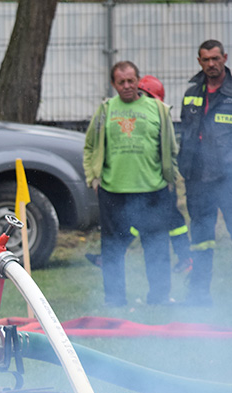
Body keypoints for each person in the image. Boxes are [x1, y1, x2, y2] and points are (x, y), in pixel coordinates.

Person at [83, 61, 179, 307]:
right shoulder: (105, 110)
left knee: (157, 247)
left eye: (131, 81)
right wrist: (93, 177)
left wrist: (171, 178)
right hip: (113, 191)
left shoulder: (158, 109)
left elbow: (171, 148)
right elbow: (90, 146)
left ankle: (159, 297)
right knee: (113, 248)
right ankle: (115, 300)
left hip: (153, 190)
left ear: (138, 81)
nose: (126, 86)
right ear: (113, 84)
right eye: (121, 82)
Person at [178, 40, 232, 307]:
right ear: (199, 61)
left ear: (225, 58)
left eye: (215, 58)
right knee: (200, 240)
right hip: (198, 180)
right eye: (206, 59)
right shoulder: (191, 93)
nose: (211, 64)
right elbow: (186, 132)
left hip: (228, 179)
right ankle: (199, 296)